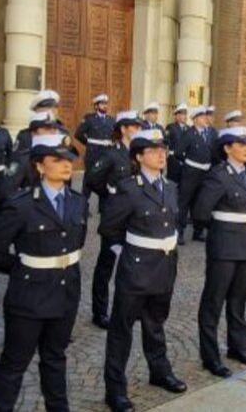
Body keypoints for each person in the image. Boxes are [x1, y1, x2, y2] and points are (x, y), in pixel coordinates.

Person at [0, 134, 87, 412]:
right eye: (57, 159)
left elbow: (76, 245)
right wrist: (24, 269)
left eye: (69, 159)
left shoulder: (78, 202)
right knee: (14, 362)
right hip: (29, 295)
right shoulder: (21, 204)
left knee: (55, 357)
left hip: (66, 290)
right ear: (40, 166)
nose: (67, 165)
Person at [100, 129, 185, 412]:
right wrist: (126, 255)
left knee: (155, 323)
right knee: (121, 330)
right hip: (136, 270)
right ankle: (115, 390)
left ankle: (159, 371)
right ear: (138, 156)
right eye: (153, 150)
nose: (161, 154)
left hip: (164, 267)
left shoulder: (170, 187)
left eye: (163, 149)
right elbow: (109, 229)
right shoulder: (128, 188)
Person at [192, 126, 246, 378]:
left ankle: (237, 347)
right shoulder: (218, 176)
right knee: (214, 301)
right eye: (240, 144)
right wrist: (224, 228)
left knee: (238, 301)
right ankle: (210, 356)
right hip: (224, 246)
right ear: (227, 148)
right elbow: (200, 212)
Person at [84, 111, 144, 330]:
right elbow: (92, 178)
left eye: (138, 126)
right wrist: (110, 195)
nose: (137, 129)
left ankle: (129, 307)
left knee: (133, 265)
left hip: (136, 218)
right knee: (106, 265)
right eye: (133, 126)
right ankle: (99, 312)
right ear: (123, 129)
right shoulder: (111, 153)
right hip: (115, 218)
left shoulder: (139, 153)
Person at [176, 106, 214, 243]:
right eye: (203, 117)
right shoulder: (189, 133)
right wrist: (189, 163)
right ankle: (179, 231)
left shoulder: (210, 133)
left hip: (205, 172)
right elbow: (179, 152)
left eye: (206, 116)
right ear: (196, 119)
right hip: (191, 172)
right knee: (184, 202)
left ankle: (198, 231)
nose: (206, 119)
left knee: (200, 202)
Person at [75, 94, 115, 197]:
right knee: (89, 180)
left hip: (106, 153)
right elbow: (78, 134)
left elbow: (114, 136)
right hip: (93, 153)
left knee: (106, 180)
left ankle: (103, 209)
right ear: (96, 106)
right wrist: (89, 143)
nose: (105, 106)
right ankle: (83, 208)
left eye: (106, 103)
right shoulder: (89, 119)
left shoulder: (111, 120)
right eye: (102, 104)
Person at [164, 103, 188, 184]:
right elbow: (166, 142)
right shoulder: (171, 127)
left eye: (185, 114)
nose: (185, 116)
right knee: (172, 183)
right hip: (174, 160)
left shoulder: (188, 128)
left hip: (185, 160)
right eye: (182, 114)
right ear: (177, 116)